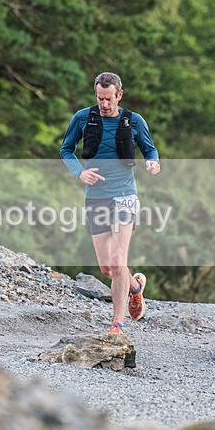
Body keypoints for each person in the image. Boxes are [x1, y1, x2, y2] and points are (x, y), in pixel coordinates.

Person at [60, 72, 161, 335]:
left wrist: (152, 161)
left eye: (109, 99)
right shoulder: (82, 118)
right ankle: (135, 287)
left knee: (118, 261)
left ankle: (117, 323)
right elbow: (66, 150)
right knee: (107, 269)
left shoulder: (134, 121)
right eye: (100, 98)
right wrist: (80, 172)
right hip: (96, 197)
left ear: (119, 95)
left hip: (125, 195)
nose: (104, 104)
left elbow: (150, 149)